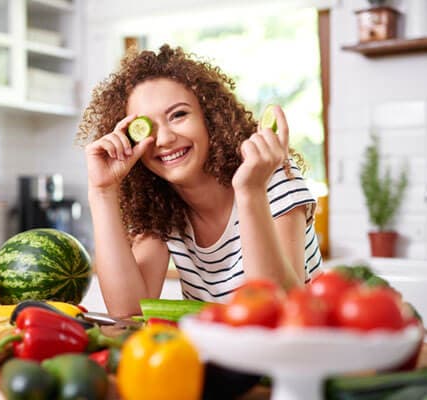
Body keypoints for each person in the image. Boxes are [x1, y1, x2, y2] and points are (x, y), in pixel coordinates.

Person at [76, 44, 322, 317]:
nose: (165, 139)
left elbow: (277, 309)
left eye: (178, 115)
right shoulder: (162, 209)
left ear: (210, 117)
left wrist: (250, 191)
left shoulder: (270, 178)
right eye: (147, 127)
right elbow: (128, 311)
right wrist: (102, 191)